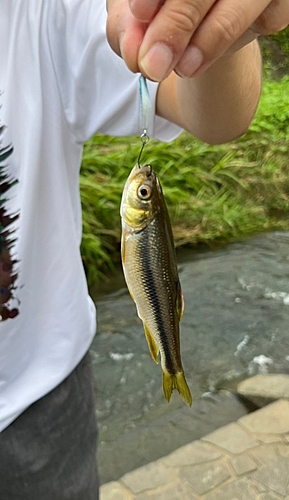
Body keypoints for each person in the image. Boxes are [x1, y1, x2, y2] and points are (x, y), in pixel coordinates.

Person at [0, 0, 287, 499]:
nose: (142, 188)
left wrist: (216, 41)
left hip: (42, 403)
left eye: (144, 194)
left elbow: (221, 117)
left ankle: (170, 365)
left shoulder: (41, 13)